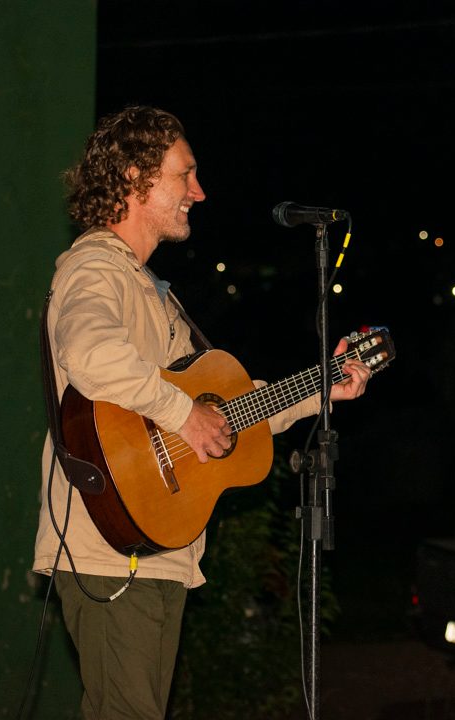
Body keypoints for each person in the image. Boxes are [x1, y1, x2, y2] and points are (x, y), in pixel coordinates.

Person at [32, 105, 372, 719]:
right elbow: (87, 351)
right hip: (108, 550)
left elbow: (229, 414)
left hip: (157, 548)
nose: (199, 191)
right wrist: (181, 412)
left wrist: (319, 391)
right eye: (185, 174)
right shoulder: (95, 268)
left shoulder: (154, 293)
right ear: (136, 177)